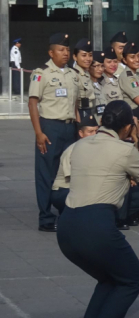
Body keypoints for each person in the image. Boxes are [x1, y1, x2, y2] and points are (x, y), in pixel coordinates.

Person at [57, 100, 139, 318]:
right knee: (132, 279)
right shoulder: (124, 149)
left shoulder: (77, 146)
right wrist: (137, 142)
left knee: (110, 279)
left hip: (67, 224)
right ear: (127, 127)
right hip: (97, 223)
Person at [29, 33, 80, 232]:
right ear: (51, 52)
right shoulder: (41, 73)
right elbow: (33, 102)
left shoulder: (73, 74)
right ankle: (45, 217)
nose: (65, 53)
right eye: (61, 50)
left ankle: (66, 212)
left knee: (68, 173)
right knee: (46, 173)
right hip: (50, 127)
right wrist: (38, 132)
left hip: (69, 128)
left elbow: (75, 104)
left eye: (67, 49)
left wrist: (78, 129)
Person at [51, 115, 100, 214]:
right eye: (90, 132)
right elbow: (74, 179)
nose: (94, 135)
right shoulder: (73, 150)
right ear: (81, 133)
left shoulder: (97, 149)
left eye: (96, 131)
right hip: (64, 190)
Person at [71, 39, 94, 121]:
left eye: (90, 55)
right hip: (80, 114)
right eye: (84, 55)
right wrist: (78, 121)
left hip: (89, 112)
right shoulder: (73, 74)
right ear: (75, 57)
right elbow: (73, 102)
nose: (88, 59)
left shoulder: (87, 74)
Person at [118, 42, 139, 107]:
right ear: (125, 60)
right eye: (132, 57)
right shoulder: (127, 77)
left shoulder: (137, 74)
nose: (137, 60)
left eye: (138, 56)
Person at [89, 51, 106, 122]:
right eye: (97, 66)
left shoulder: (103, 83)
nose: (100, 69)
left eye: (102, 66)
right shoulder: (87, 85)